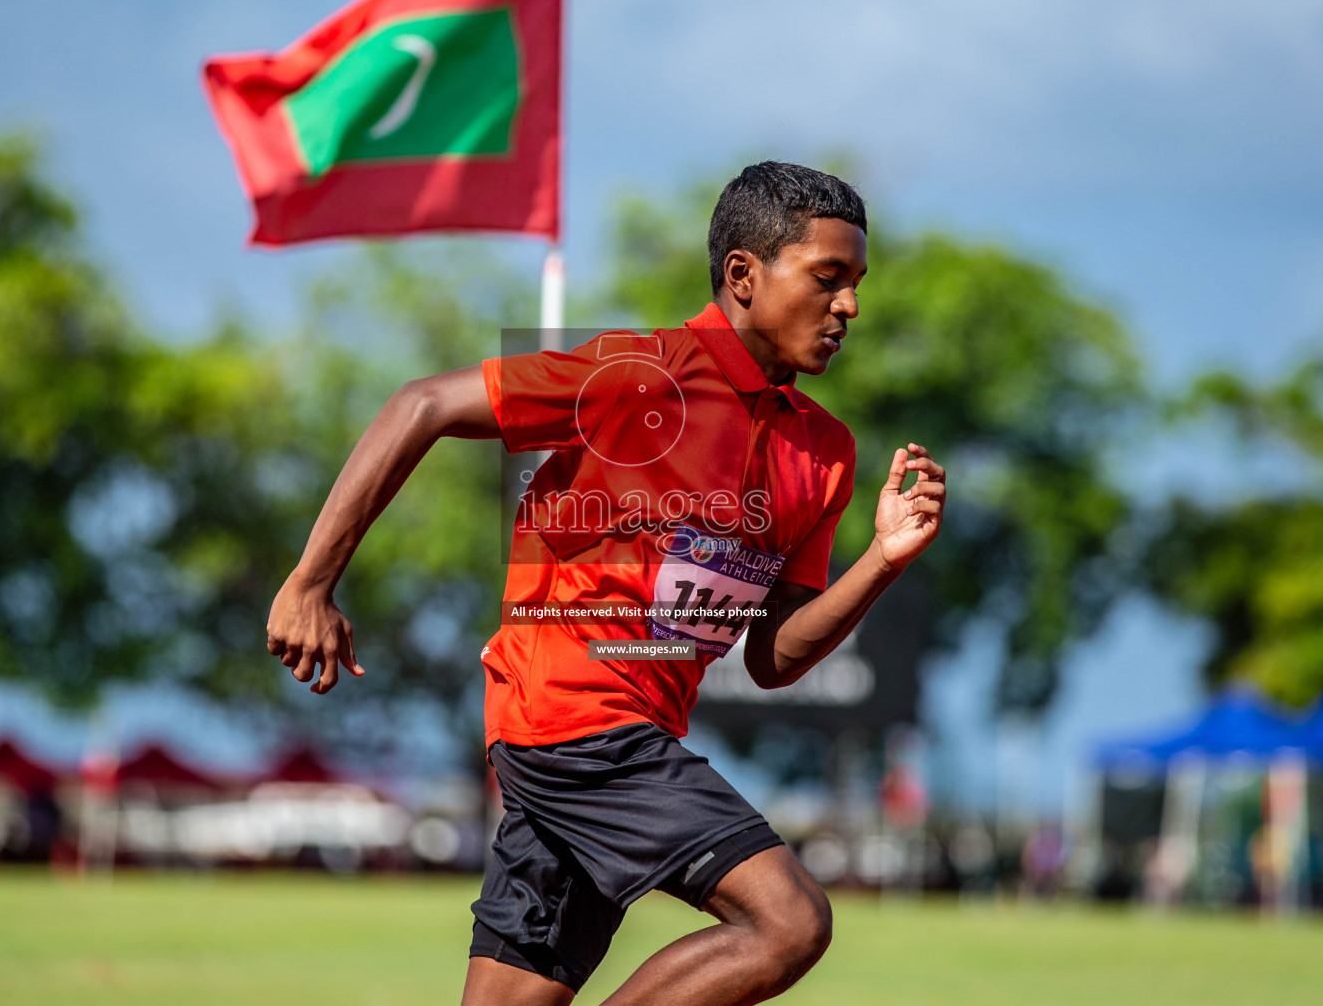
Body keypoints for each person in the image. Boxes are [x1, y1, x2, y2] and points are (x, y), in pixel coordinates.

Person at [265, 161, 947, 1005]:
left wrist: (881, 560)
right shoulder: (638, 378)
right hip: (575, 724)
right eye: (827, 278)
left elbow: (774, 658)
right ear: (742, 275)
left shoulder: (826, 452)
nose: (850, 307)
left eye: (856, 284)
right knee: (790, 922)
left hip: (614, 743)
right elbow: (422, 405)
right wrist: (310, 582)